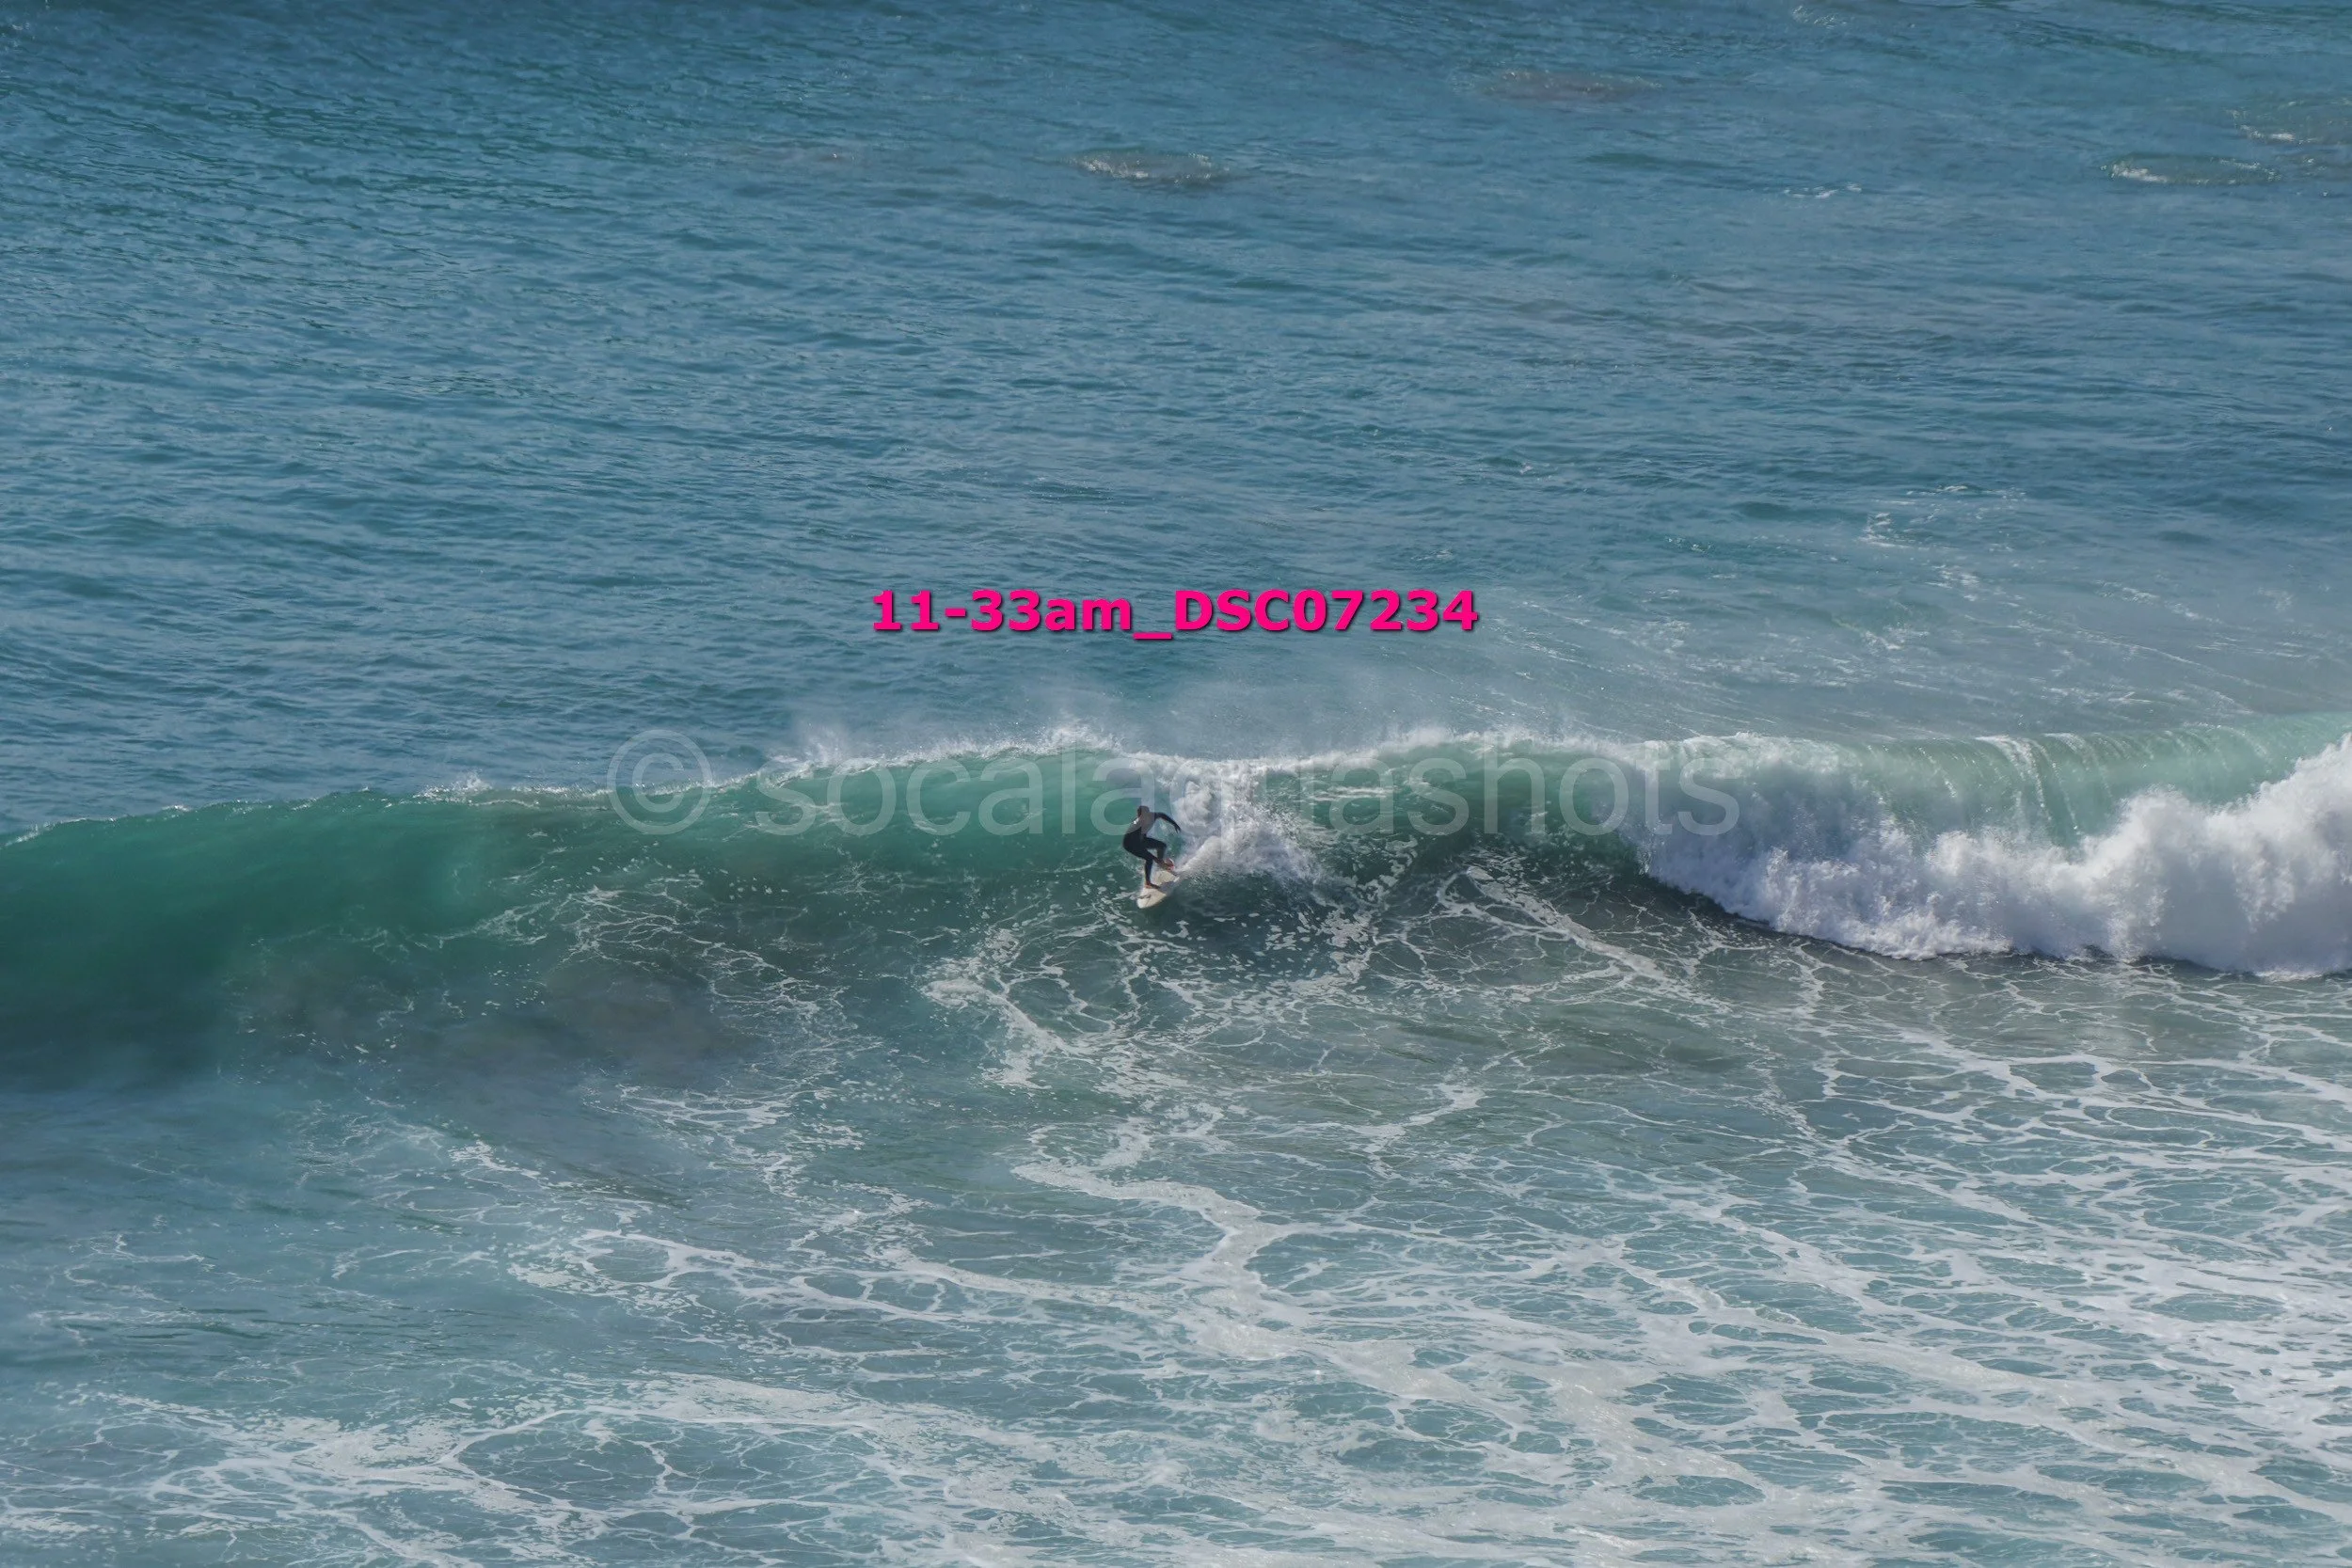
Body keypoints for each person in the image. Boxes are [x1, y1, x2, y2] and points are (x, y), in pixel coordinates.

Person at [1123, 804, 1182, 890]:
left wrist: (1174, 824)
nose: (1141, 819)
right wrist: (1154, 858)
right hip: (1130, 845)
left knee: (1162, 846)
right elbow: (1138, 845)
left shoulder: (1152, 816)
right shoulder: (1136, 826)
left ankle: (1161, 864)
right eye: (1140, 817)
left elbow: (1162, 815)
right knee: (1149, 859)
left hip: (1142, 840)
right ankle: (1148, 883)